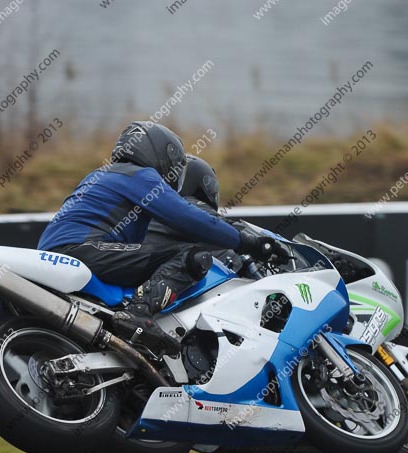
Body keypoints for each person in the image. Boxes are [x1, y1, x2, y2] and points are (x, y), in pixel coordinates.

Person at [37, 122, 278, 354]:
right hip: (83, 250)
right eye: (173, 157)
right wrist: (245, 242)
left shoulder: (101, 175)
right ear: (155, 149)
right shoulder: (139, 176)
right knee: (193, 257)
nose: (174, 168)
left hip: (58, 253)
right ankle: (139, 313)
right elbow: (187, 217)